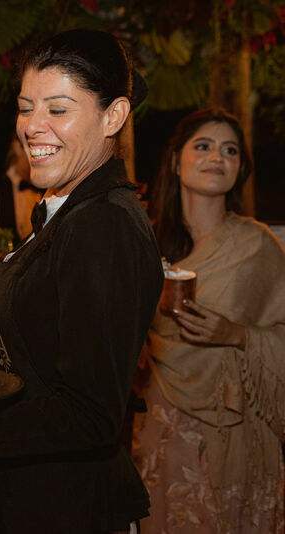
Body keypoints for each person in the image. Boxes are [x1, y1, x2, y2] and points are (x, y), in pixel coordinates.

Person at [0, 29, 162, 533]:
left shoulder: (104, 224)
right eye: (25, 107)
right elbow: (46, 360)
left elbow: (89, 415)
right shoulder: (66, 212)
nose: (32, 126)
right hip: (20, 497)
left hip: (61, 508)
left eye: (58, 109)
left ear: (114, 116)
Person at [132, 108, 285, 533]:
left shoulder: (257, 247)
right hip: (162, 427)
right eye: (203, 145)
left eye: (230, 150)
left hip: (236, 435)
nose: (217, 156)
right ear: (176, 160)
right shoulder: (145, 244)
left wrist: (236, 335)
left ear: (240, 168)